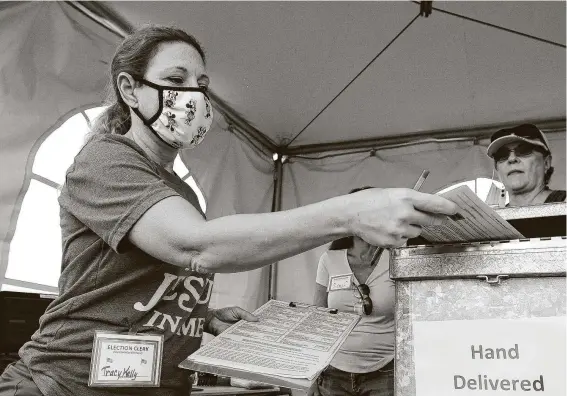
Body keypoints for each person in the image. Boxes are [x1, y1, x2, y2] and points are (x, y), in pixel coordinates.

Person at [0, 25, 457, 396]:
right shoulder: (107, 158)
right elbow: (194, 246)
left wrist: (205, 319)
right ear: (129, 90)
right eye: (176, 81)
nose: (194, 97)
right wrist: (350, 213)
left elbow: (149, 286)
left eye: (200, 85)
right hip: (64, 384)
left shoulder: (179, 188)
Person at [309, 187, 395, 396]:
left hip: (385, 373)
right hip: (333, 374)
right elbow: (317, 320)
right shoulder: (329, 260)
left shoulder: (397, 258)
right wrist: (312, 375)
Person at [487, 123, 566, 206]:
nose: (512, 159)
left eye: (524, 150)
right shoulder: (492, 216)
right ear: (496, 168)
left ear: (546, 163)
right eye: (502, 154)